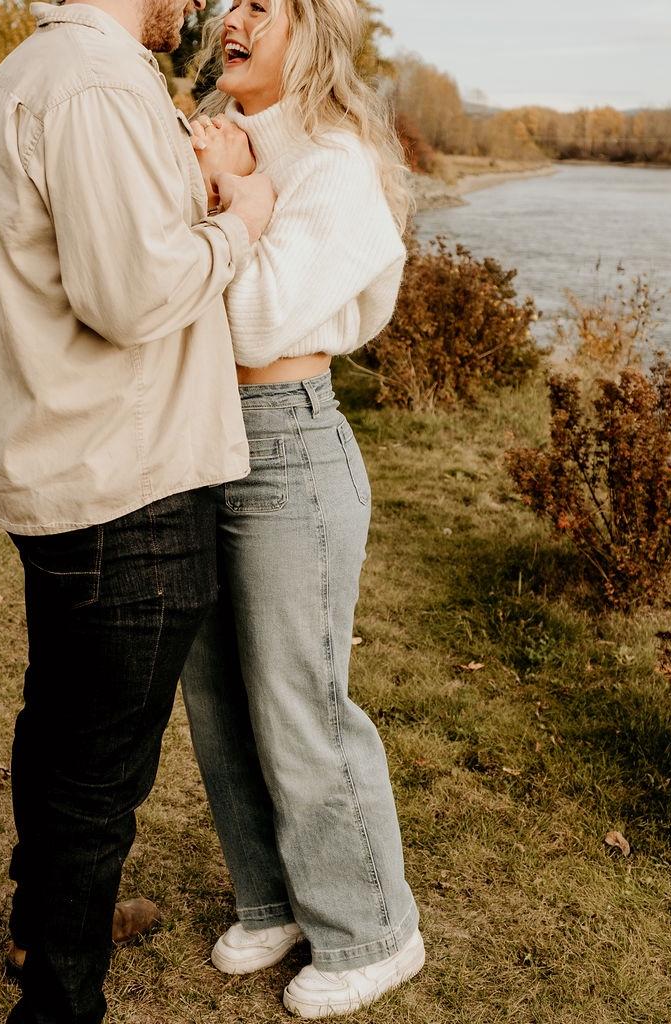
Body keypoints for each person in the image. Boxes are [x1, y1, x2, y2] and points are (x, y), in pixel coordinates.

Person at [0, 0, 275, 1020]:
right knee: (98, 772)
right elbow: (132, 296)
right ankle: (59, 995)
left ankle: (49, 919)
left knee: (60, 726)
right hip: (126, 482)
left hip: (75, 467)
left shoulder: (38, 72)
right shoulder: (92, 84)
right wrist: (243, 221)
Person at [178, 0, 424, 1018]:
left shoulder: (335, 160)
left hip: (287, 443)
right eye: (231, 4)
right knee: (214, 695)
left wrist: (239, 191)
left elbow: (255, 315)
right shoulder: (210, 139)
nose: (232, 20)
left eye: (261, 7)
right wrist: (226, 178)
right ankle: (271, 898)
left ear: (309, 31)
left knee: (298, 701)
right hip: (197, 435)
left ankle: (374, 930)